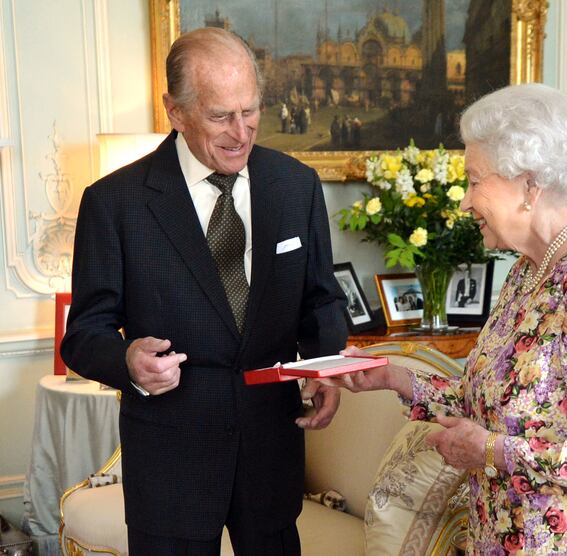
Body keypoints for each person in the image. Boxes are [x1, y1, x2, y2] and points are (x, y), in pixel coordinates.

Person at [324, 84, 567, 554]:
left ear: (529, 185)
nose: (464, 201)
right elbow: (487, 401)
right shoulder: (529, 270)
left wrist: (489, 450)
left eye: (475, 180)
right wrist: (391, 377)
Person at [61, 27, 347, 555]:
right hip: (172, 463)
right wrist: (127, 359)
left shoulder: (295, 185)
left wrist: (326, 366)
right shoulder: (115, 202)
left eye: (251, 111)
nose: (241, 133)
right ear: (175, 111)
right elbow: (83, 334)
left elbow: (321, 298)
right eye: (220, 116)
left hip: (271, 452)